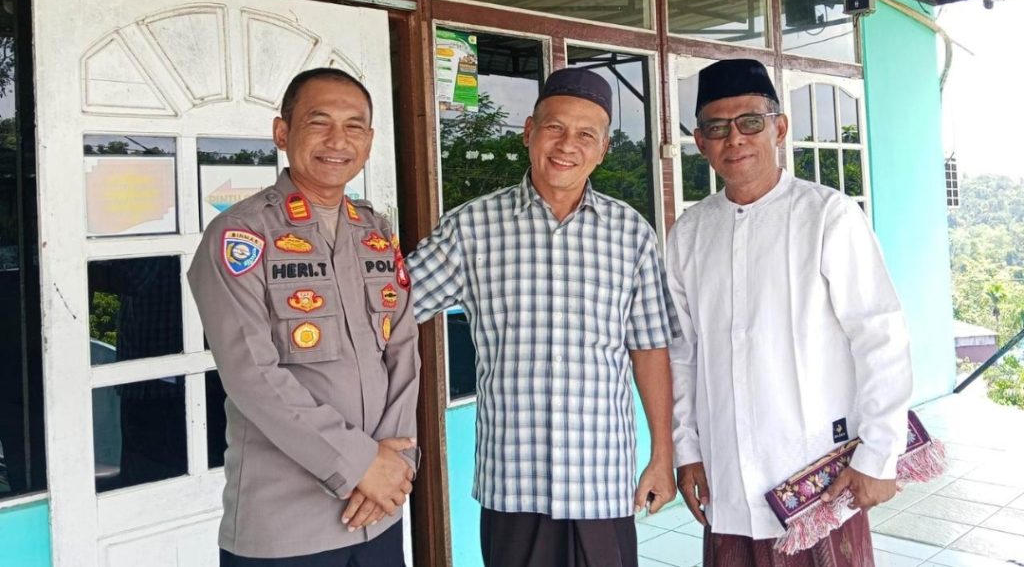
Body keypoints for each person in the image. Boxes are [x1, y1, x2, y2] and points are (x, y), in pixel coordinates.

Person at [408, 67, 680, 567]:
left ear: (603, 149)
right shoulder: (472, 227)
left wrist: (662, 455)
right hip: (514, 482)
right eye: (554, 127)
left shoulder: (631, 234)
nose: (567, 145)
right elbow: (393, 309)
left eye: (586, 135)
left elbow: (649, 350)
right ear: (529, 132)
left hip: (601, 479)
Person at [666, 58, 912, 566]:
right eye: (717, 127)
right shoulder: (689, 233)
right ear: (700, 141)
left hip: (819, 482)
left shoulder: (827, 215)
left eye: (750, 122)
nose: (735, 138)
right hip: (728, 479)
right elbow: (681, 354)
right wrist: (686, 451)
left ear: (778, 128)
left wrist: (879, 455)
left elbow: (879, 336)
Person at [188, 67, 420, 566]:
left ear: (369, 141)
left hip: (380, 512)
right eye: (319, 122)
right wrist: (360, 465)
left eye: (354, 126)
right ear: (282, 133)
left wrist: (395, 463)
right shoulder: (241, 235)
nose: (338, 141)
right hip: (287, 526)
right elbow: (251, 375)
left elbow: (403, 352)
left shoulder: (376, 232)